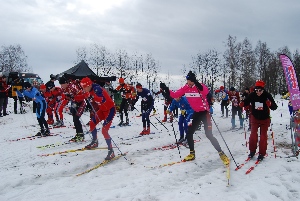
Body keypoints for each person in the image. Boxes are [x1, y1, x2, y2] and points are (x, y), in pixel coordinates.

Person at [159, 71, 229, 165]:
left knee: (209, 135)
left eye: (190, 81)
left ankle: (221, 153)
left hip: (205, 113)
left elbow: (206, 92)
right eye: (187, 81)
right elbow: (175, 95)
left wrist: (196, 83)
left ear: (193, 81)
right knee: (189, 133)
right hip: (196, 113)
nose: (188, 83)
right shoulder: (186, 88)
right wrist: (166, 89)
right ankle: (192, 154)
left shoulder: (200, 86)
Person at [239, 80, 278, 161]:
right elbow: (246, 102)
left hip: (265, 119)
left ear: (263, 90)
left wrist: (270, 104)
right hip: (255, 118)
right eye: (256, 90)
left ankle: (261, 153)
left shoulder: (267, 95)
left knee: (263, 136)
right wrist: (242, 103)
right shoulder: (252, 95)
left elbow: (275, 107)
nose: (258, 92)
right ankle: (252, 151)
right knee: (253, 135)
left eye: (260, 90)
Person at [80, 77, 116, 160]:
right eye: (83, 87)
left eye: (84, 87)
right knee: (92, 123)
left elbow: (102, 100)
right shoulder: (88, 90)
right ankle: (95, 142)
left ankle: (111, 151)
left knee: (104, 131)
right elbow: (82, 96)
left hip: (110, 110)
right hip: (102, 110)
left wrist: (92, 98)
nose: (84, 89)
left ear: (89, 85)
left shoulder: (97, 89)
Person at [59, 76, 86, 142]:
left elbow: (82, 96)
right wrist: (67, 99)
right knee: (74, 118)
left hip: (81, 103)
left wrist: (73, 97)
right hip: (74, 103)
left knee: (76, 118)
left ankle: (81, 135)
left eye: (62, 84)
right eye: (60, 85)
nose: (61, 86)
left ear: (66, 83)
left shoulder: (72, 87)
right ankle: (78, 134)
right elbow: (65, 97)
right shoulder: (64, 89)